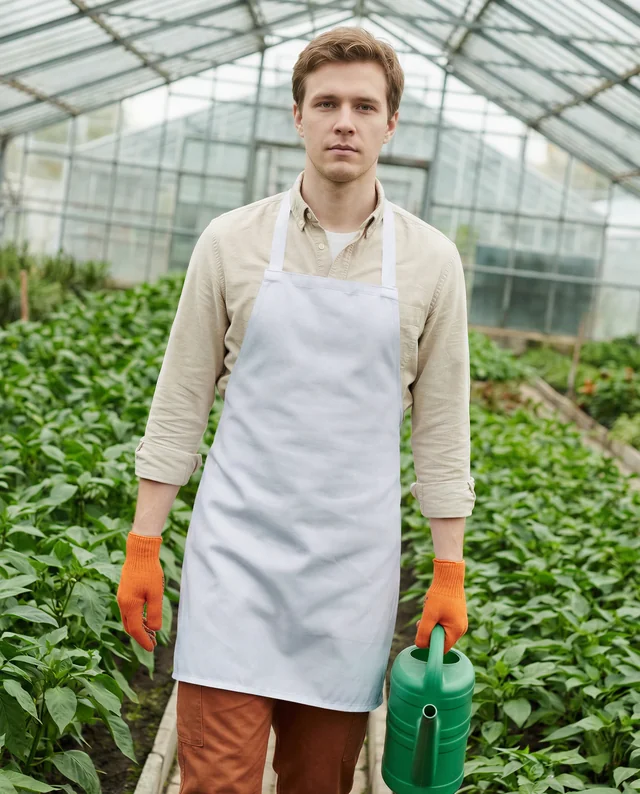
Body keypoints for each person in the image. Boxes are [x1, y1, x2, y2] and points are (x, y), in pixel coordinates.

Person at [116, 25, 476, 794]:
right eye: (327, 103)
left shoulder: (430, 261)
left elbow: (443, 430)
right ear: (298, 116)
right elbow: (179, 401)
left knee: (319, 780)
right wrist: (144, 544)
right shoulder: (231, 242)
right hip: (235, 562)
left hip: (350, 574)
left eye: (363, 105)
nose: (344, 119)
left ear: (390, 123)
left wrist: (449, 569)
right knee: (216, 782)